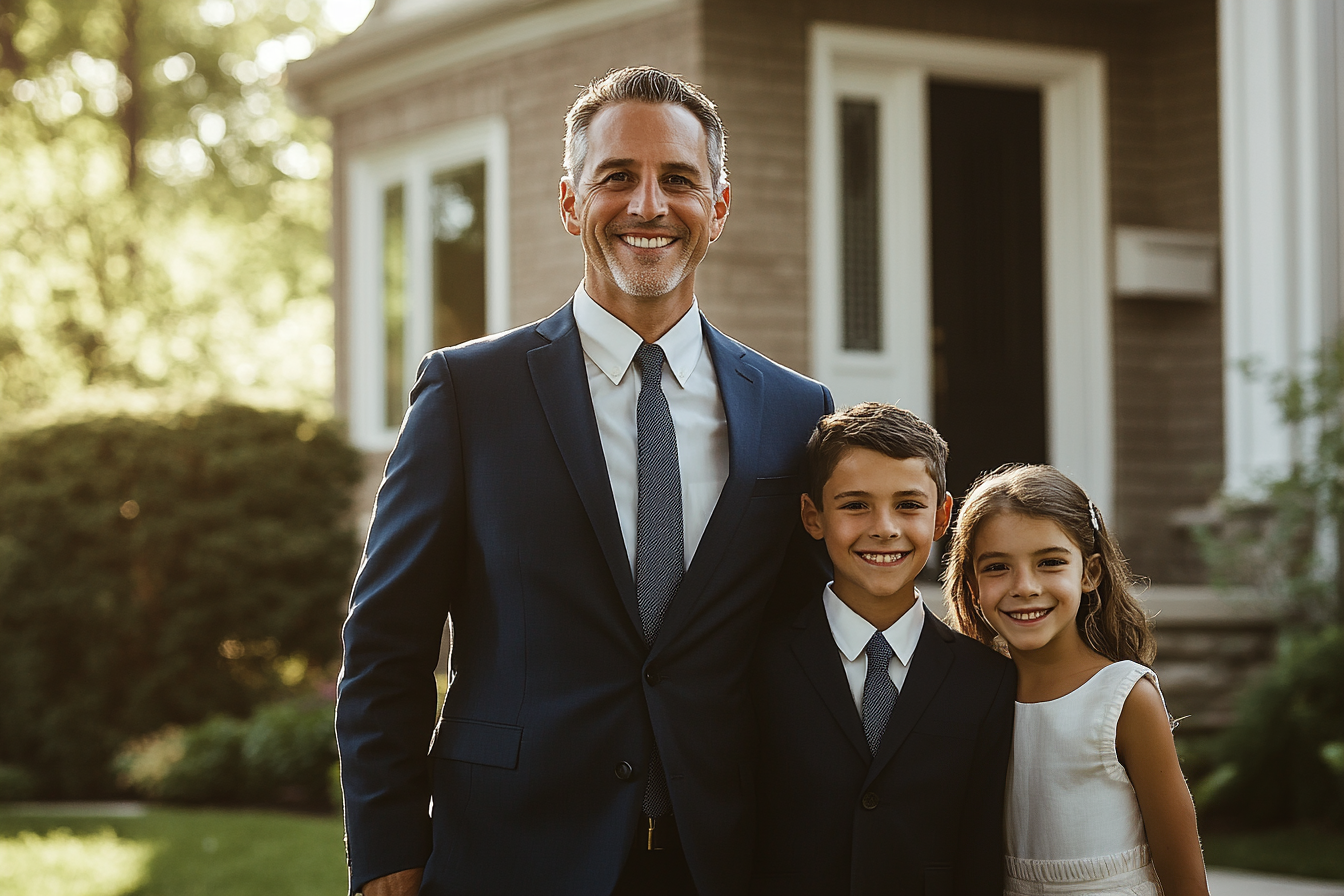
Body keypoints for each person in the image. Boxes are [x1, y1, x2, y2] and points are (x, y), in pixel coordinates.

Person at [335, 66, 832, 896]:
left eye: (679, 179)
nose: (648, 206)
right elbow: (387, 640)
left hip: (721, 854)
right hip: (511, 849)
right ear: (570, 202)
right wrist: (385, 846)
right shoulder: (468, 393)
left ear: (719, 207)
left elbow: (803, 641)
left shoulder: (792, 410)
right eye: (616, 178)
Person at [750, 403, 1017, 896]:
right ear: (813, 515)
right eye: (855, 505)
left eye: (908, 505)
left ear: (942, 517)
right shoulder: (756, 664)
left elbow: (981, 852)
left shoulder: (987, 680)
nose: (885, 528)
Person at [944, 465, 1210, 896]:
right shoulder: (973, 695)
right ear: (973, 585)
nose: (1025, 586)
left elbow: (1181, 864)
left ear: (1090, 574)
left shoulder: (1124, 697)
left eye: (1049, 562)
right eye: (997, 567)